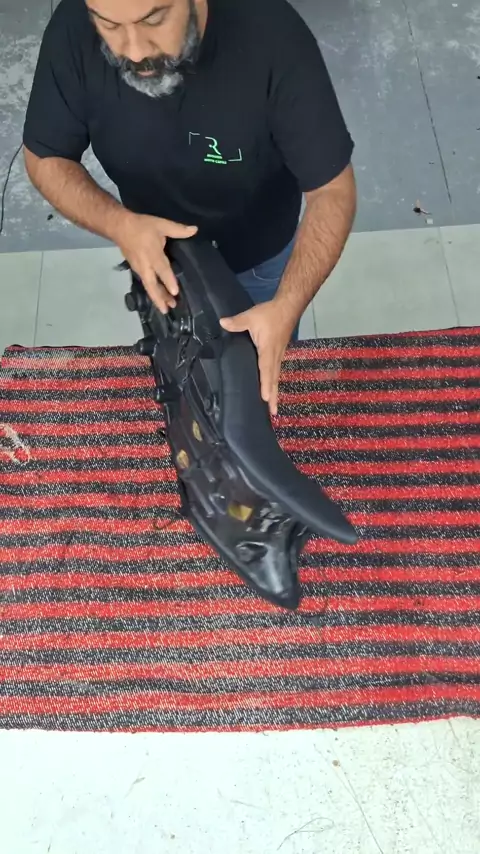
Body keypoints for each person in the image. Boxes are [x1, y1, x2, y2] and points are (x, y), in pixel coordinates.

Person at [23, 0, 356, 416]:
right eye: (109, 25)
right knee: (183, 380)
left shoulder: (274, 37)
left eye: (154, 19)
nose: (134, 50)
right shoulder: (73, 28)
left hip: (259, 258)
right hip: (158, 257)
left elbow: (333, 191)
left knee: (256, 393)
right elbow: (45, 157)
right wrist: (120, 225)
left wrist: (286, 306)